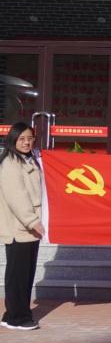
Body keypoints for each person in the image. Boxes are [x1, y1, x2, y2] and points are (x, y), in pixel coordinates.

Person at [0, 123, 44, 330]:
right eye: (22, 139)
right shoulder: (10, 163)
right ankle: (17, 317)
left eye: (30, 138)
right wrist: (32, 221)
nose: (26, 142)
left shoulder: (30, 159)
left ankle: (14, 313)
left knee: (23, 274)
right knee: (18, 275)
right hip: (19, 228)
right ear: (13, 140)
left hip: (28, 229)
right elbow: (17, 197)